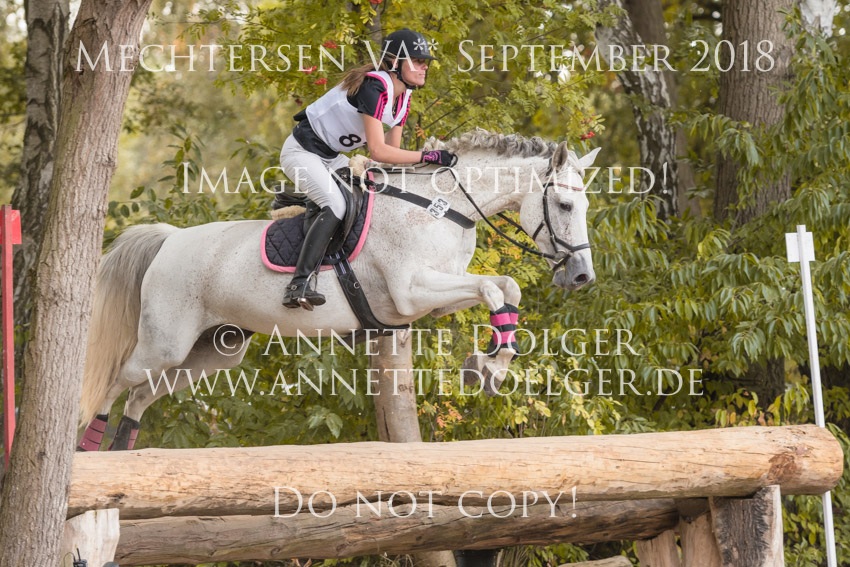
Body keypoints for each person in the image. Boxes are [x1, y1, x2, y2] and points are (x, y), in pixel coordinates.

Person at [279, 29, 456, 310]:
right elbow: (378, 151)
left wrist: (424, 163)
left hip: (330, 158)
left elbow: (391, 155)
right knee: (336, 205)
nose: (424, 67)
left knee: (374, 193)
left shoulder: (404, 97)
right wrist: (428, 155)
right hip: (301, 153)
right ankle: (299, 283)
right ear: (395, 62)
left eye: (426, 62)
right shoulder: (373, 88)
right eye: (418, 61)